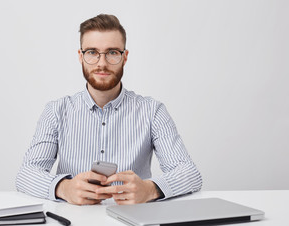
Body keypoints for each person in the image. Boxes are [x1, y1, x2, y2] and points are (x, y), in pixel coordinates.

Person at [16, 14, 202, 205]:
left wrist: (150, 189)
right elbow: (26, 174)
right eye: (92, 52)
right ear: (81, 56)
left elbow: (189, 173)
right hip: (71, 225)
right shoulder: (56, 111)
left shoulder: (152, 111)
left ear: (125, 57)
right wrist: (63, 188)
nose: (102, 63)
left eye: (112, 52)